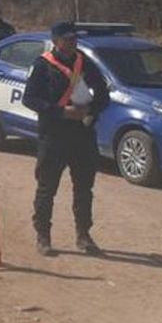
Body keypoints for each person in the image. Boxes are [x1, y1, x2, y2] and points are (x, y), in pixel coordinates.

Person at [21, 21, 110, 256]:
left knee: (84, 189)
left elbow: (103, 94)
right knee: (47, 188)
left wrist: (91, 112)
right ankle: (43, 236)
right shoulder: (42, 65)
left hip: (82, 134)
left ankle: (83, 235)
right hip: (54, 135)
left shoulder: (85, 62)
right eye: (67, 39)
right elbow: (30, 99)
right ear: (56, 41)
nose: (72, 43)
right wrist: (60, 112)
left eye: (74, 39)